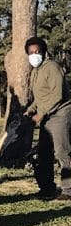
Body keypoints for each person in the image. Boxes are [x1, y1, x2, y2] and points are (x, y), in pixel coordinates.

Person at [24, 36, 71, 200]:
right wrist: (30, 110)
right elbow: (41, 97)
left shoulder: (52, 67)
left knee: (62, 152)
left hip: (60, 114)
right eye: (31, 52)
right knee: (44, 153)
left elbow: (56, 95)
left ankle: (68, 190)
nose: (34, 55)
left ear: (43, 52)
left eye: (37, 51)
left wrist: (40, 113)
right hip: (47, 115)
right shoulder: (36, 71)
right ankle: (47, 188)